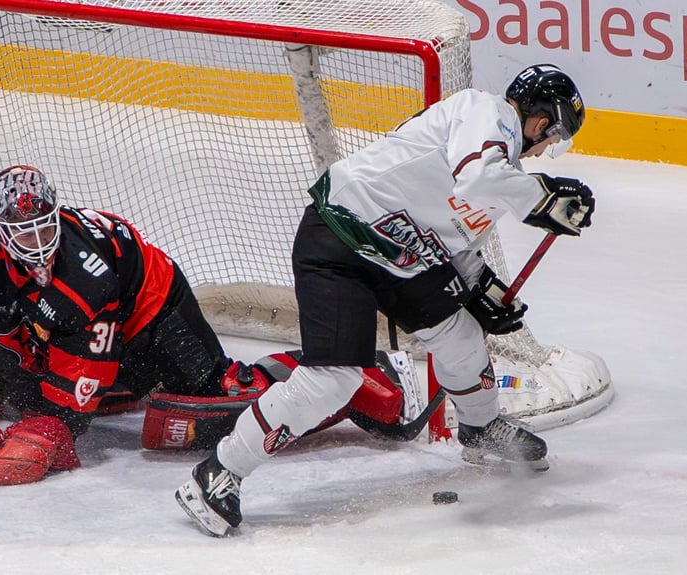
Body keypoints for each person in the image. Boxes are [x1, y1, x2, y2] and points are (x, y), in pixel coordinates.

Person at [175, 63, 598, 537]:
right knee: (331, 381)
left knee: (460, 334)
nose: (547, 150)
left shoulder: (502, 167)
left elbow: (458, 239)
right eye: (553, 137)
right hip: (340, 238)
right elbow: (476, 180)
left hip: (402, 256)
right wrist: (545, 199)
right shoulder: (487, 111)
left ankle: (480, 428)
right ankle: (217, 472)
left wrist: (483, 289)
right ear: (542, 120)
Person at [0, 165, 414, 487]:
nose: (39, 244)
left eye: (46, 228)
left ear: (56, 215)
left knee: (201, 411)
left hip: (150, 313)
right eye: (25, 232)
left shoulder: (86, 277)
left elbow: (75, 390)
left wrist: (50, 427)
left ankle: (354, 377)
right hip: (53, 331)